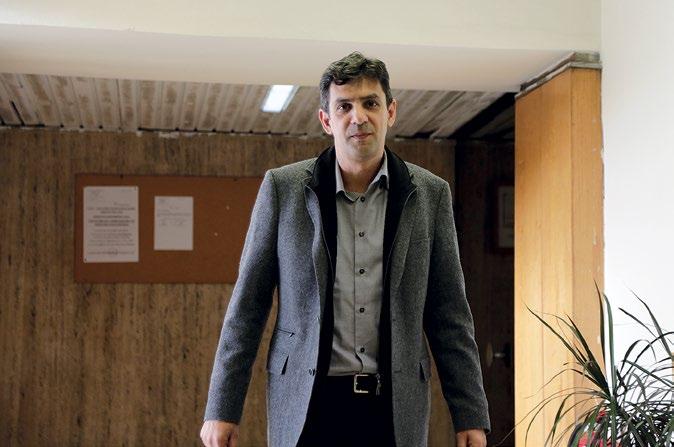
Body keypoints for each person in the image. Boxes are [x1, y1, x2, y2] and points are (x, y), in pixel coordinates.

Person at [200, 52, 490, 447]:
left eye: (370, 103)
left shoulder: (430, 195)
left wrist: (470, 414)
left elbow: (450, 314)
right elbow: (247, 305)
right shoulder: (284, 189)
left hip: (391, 408)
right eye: (344, 106)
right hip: (308, 405)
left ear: (390, 112)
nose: (359, 117)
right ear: (326, 120)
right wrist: (221, 407)